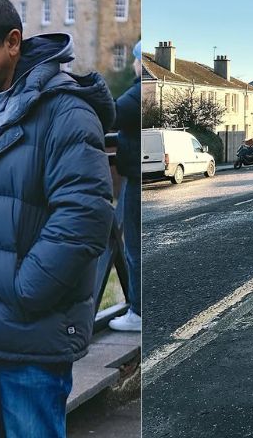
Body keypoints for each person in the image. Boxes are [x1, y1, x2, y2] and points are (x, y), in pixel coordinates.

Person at [0, 0, 114, 437]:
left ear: (13, 42)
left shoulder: (65, 111)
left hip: (29, 333)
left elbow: (85, 216)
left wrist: (24, 293)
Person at [109, 41, 142, 332]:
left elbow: (110, 114)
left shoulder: (136, 93)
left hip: (135, 175)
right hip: (137, 172)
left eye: (135, 58)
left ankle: (139, 312)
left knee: (133, 244)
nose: (132, 64)